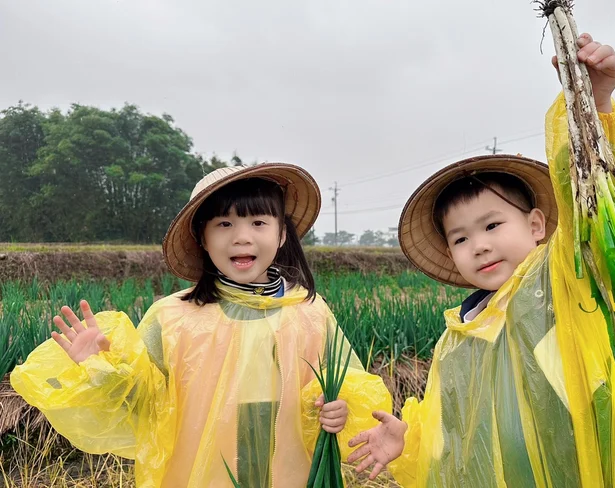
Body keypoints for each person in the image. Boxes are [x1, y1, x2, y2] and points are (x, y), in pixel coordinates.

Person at [347, 33, 615, 487]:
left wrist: (594, 106)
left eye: (492, 226)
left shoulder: (562, 287)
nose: (480, 246)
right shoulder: (458, 339)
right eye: (461, 238)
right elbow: (448, 432)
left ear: (534, 226)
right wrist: (406, 441)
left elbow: (596, 207)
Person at [11, 163, 391, 487]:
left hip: (289, 472)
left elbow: (349, 387)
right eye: (224, 223)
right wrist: (99, 370)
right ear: (202, 239)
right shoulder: (172, 317)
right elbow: (143, 408)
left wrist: (336, 409)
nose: (242, 236)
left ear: (282, 233)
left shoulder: (310, 311)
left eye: (258, 221)